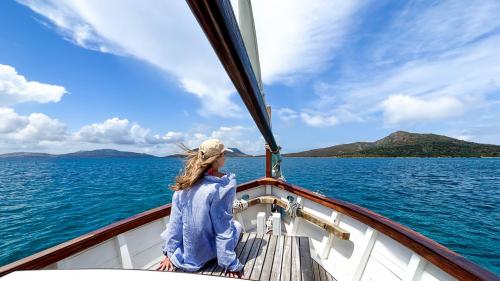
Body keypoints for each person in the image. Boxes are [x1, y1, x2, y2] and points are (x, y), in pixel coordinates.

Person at [156, 139, 243, 278]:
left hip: (186, 254)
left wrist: (169, 253)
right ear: (216, 158)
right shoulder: (222, 186)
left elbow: (175, 224)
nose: (225, 157)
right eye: (223, 154)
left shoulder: (183, 187)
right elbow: (222, 227)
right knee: (237, 225)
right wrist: (230, 264)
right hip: (207, 253)